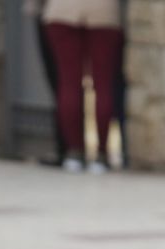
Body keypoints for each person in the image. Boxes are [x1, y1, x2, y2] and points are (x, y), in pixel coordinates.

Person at [41, 0, 124, 174]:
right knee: (103, 85)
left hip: (62, 10)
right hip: (104, 12)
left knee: (69, 84)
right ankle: (101, 156)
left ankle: (74, 153)